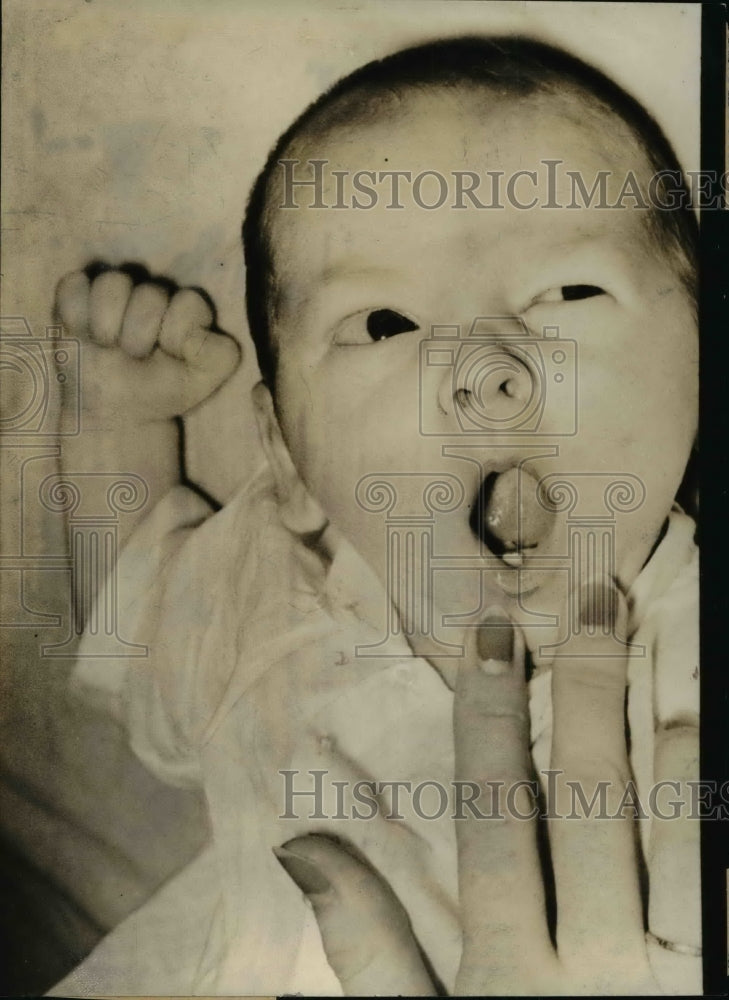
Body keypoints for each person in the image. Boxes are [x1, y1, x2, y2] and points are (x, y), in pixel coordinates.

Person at [47, 36, 699, 995]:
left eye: (569, 292)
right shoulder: (274, 586)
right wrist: (114, 422)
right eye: (386, 324)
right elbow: (133, 617)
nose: (486, 367)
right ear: (285, 454)